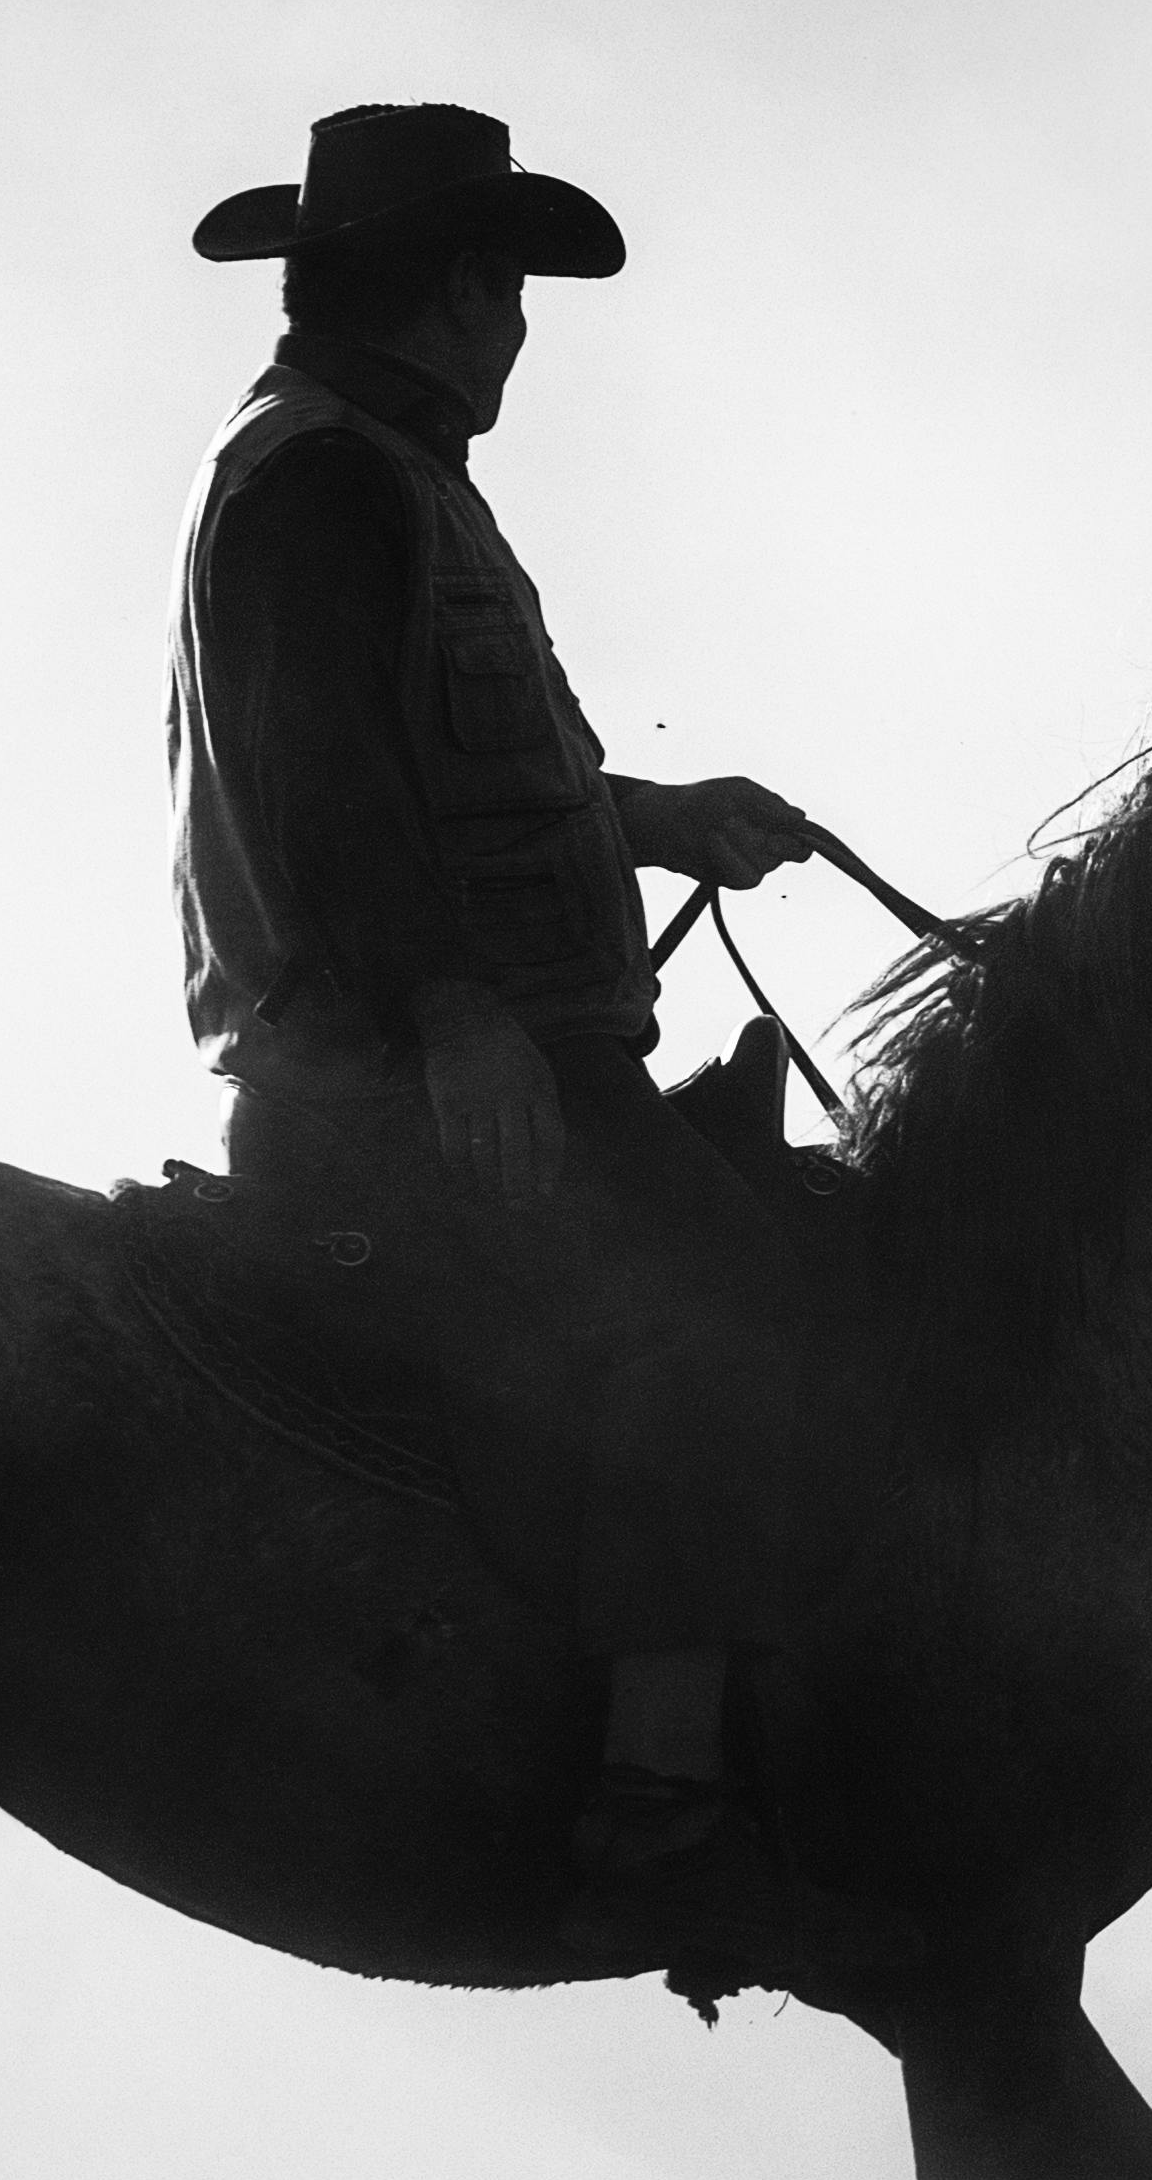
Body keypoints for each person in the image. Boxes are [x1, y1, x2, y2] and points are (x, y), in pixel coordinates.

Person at [170, 100, 827, 1918]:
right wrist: (457, 1012)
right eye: (512, 286)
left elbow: (423, 768)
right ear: (455, 291)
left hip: (433, 1046)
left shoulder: (364, 463)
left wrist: (657, 820)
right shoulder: (329, 479)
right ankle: (662, 1788)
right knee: (728, 1316)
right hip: (402, 1077)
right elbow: (330, 793)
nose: (526, 326)